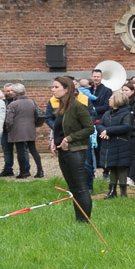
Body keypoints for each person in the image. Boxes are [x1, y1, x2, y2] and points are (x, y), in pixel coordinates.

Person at [49, 76, 94, 223]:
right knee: (73, 188)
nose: (53, 89)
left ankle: (85, 221)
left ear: (67, 89)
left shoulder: (78, 106)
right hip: (63, 152)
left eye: (56, 87)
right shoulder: (62, 108)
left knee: (81, 188)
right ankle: (79, 220)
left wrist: (69, 139)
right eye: (53, 87)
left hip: (76, 151)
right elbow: (60, 129)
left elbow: (89, 128)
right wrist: (54, 142)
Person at [96, 88, 135, 198]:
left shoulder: (126, 113)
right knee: (112, 167)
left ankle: (123, 192)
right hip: (109, 144)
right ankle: (112, 190)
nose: (109, 99)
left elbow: (127, 126)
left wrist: (108, 131)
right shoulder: (107, 113)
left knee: (121, 168)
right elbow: (99, 124)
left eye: (111, 98)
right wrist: (102, 130)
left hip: (121, 144)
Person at [3, 83, 43, 179]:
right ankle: (40, 170)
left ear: (15, 93)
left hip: (17, 130)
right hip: (30, 129)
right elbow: (37, 116)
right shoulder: (32, 102)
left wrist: (8, 129)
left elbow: (9, 120)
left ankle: (23, 172)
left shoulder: (13, 104)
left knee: (20, 151)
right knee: (33, 150)